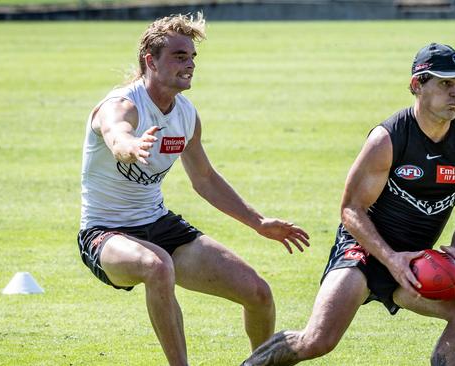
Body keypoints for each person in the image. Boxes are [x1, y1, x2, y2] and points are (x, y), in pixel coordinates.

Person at [77, 13, 310, 366]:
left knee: (259, 294)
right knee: (157, 267)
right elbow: (116, 134)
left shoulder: (185, 114)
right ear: (150, 61)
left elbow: (204, 179)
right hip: (105, 233)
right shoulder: (122, 105)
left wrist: (258, 223)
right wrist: (131, 147)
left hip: (159, 225)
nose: (189, 65)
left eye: (192, 58)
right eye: (179, 56)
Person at [242, 43, 455, 366]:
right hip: (363, 251)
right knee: (318, 340)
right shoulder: (387, 139)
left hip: (417, 262)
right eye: (445, 84)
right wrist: (391, 259)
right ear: (417, 85)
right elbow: (350, 210)